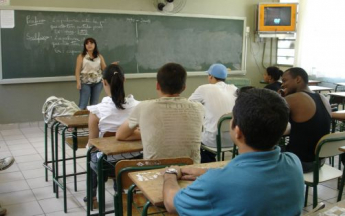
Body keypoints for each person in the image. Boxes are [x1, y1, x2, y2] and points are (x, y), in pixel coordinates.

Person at [162, 88, 304, 215]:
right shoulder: (293, 162)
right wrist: (208, 173)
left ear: (237, 131)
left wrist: (170, 174)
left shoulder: (216, 183)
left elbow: (171, 203)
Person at [116, 62, 204, 164]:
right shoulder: (199, 108)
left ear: (157, 85)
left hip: (154, 173)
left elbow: (120, 135)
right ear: (184, 87)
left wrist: (147, 132)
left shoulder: (143, 107)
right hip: (190, 173)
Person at [85, 64, 141, 208]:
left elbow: (93, 143)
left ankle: (92, 198)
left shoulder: (97, 111)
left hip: (107, 165)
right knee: (122, 153)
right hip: (136, 162)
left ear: (104, 82)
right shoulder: (138, 106)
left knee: (92, 154)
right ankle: (120, 192)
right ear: (125, 80)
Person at [281, 67, 331, 173]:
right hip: (319, 161)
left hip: (300, 162)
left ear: (298, 79)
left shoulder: (295, 98)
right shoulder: (323, 98)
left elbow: (266, 114)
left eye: (285, 81)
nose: (282, 85)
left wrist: (280, 97)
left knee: (259, 154)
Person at [189, 63, 237, 163]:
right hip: (235, 139)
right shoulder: (234, 89)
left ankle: (208, 165)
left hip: (213, 141)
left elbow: (189, 106)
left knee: (195, 139)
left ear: (210, 76)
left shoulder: (204, 88)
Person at [75, 37, 107, 110]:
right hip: (85, 82)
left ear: (94, 44)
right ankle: (79, 120)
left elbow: (104, 68)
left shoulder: (99, 56)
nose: (89, 45)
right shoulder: (81, 56)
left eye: (91, 43)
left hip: (98, 82)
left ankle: (91, 120)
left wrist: (112, 66)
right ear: (85, 46)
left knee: (94, 105)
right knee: (83, 104)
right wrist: (78, 82)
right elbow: (77, 70)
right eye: (87, 43)